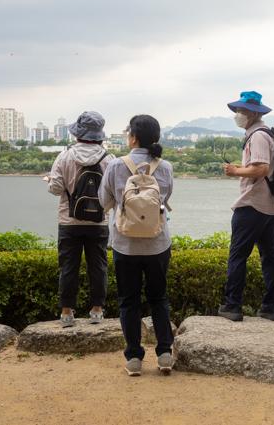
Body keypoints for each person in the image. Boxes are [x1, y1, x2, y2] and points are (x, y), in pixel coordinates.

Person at [98, 114, 175, 377]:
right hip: (157, 243)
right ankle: (164, 353)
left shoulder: (116, 166)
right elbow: (165, 198)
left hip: (124, 244)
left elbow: (103, 200)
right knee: (159, 298)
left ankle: (133, 357)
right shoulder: (165, 167)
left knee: (129, 301)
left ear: (132, 137)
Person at [218, 91, 274, 322]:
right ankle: (273, 307)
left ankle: (232, 305)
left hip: (252, 204)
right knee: (270, 257)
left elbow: (261, 168)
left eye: (241, 111)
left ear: (254, 113)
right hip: (271, 206)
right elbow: (260, 167)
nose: (238, 115)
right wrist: (242, 167)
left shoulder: (257, 135)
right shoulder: (268, 134)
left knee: (237, 255)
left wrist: (235, 171)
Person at [45, 111, 113, 328]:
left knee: (68, 267)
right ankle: (97, 310)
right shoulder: (109, 159)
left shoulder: (64, 156)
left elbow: (56, 188)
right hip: (99, 222)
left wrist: (49, 181)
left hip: (69, 221)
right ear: (99, 135)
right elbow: (114, 192)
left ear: (77, 134)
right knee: (99, 266)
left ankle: (66, 313)